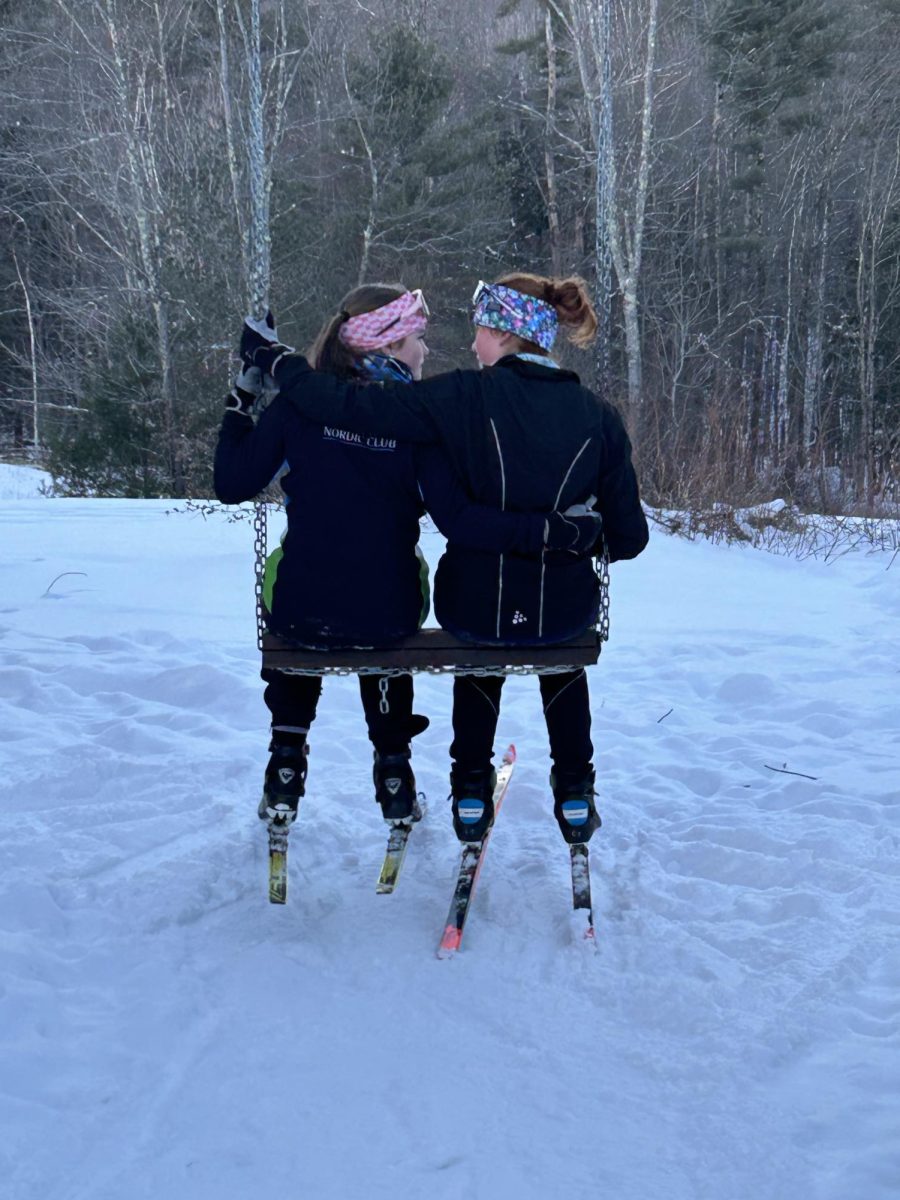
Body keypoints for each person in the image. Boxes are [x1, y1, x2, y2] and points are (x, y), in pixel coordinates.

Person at [239, 273, 649, 848]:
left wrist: (278, 365)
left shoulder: (461, 397)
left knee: (479, 641)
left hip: (475, 609)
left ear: (502, 333)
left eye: (478, 328)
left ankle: (471, 786)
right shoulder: (598, 416)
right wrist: (576, 532)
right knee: (562, 650)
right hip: (564, 613)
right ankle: (575, 790)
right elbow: (629, 538)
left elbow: (350, 405)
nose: (468, 341)